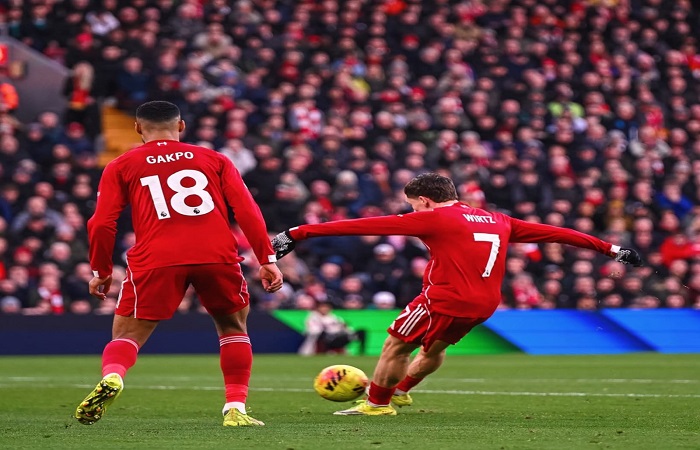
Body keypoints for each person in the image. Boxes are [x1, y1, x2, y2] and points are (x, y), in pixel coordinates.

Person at [272, 173, 642, 416]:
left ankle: (377, 404)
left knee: (395, 346)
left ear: (425, 200)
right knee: (434, 349)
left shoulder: (433, 218)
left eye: (413, 204)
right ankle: (402, 389)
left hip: (443, 299)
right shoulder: (498, 219)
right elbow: (557, 233)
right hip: (485, 303)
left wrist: (298, 233)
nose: (412, 210)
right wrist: (611, 249)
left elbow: (362, 226)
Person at [76, 101, 283, 427]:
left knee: (126, 334)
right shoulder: (214, 159)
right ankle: (235, 408)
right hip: (216, 255)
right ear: (181, 126)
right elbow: (247, 210)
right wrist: (267, 259)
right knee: (233, 328)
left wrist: (101, 271)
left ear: (137, 128)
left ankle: (113, 376)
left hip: (157, 258)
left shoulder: (121, 165)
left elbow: (101, 223)